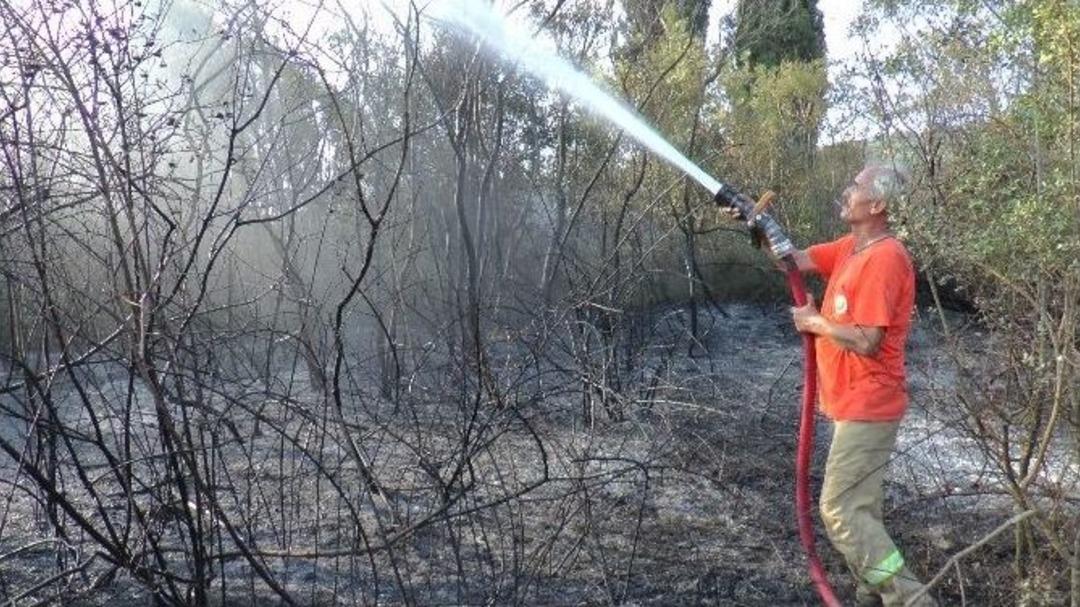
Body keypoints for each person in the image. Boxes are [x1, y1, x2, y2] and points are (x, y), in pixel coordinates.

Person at [728, 165, 935, 606]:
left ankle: (912, 600)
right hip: (851, 403)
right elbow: (792, 260)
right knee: (862, 513)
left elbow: (867, 340)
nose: (846, 191)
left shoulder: (885, 257)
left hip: (869, 404)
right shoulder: (850, 248)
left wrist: (816, 322)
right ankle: (871, 595)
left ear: (878, 205)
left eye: (856, 187)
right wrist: (760, 226)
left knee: (839, 511)